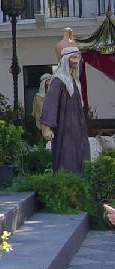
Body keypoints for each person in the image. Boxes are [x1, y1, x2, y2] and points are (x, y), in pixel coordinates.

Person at [40, 46, 89, 174]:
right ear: (65, 60)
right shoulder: (59, 81)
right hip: (65, 127)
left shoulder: (74, 81)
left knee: (81, 157)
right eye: (73, 57)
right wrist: (46, 127)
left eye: (77, 57)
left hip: (78, 128)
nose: (76, 61)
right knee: (66, 156)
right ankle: (66, 185)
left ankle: (80, 186)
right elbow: (50, 104)